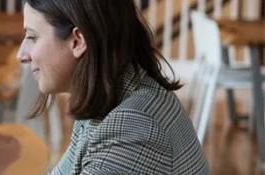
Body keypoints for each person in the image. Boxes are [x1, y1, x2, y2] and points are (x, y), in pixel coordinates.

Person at [16, 0, 212, 174]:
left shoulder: (131, 126)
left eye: (33, 37)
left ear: (78, 41)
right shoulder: (109, 95)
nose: (22, 55)